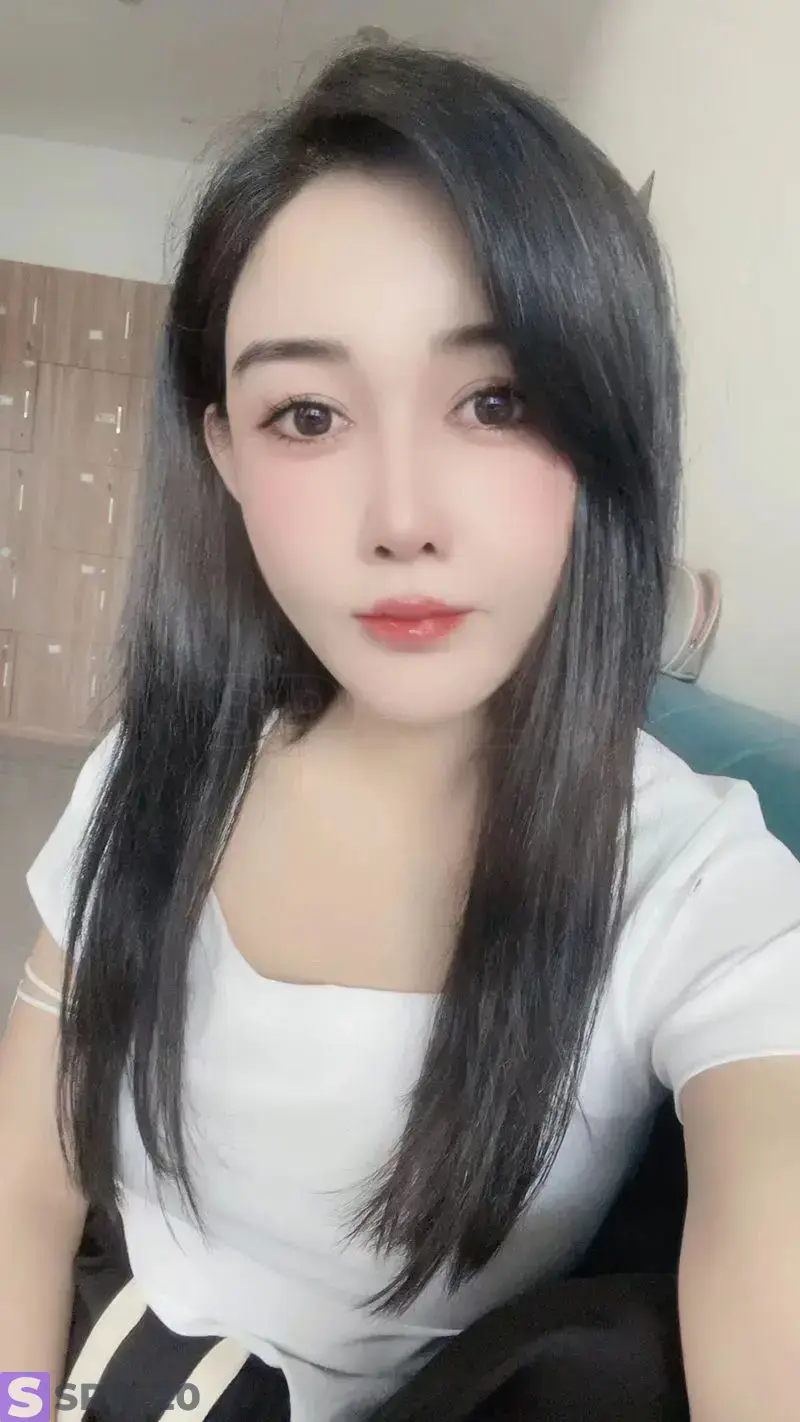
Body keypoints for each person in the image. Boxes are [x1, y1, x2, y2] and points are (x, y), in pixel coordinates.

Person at [0, 40, 798, 1422]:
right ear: (226, 455)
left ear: (609, 424)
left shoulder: (703, 890)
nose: (402, 518)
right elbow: (25, 1176)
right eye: (306, 414)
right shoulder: (158, 768)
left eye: (497, 400)